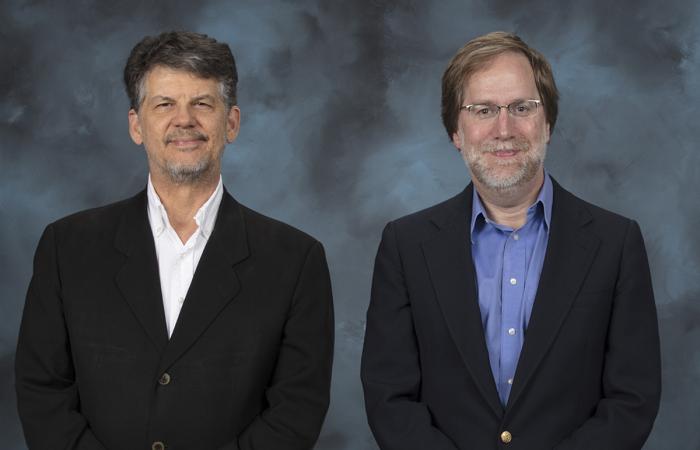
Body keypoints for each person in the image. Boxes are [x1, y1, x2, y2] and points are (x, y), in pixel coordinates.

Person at [16, 31, 334, 450]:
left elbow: (296, 411)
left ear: (232, 122)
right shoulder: (67, 247)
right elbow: (43, 393)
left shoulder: (296, 261)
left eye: (202, 103)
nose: (184, 119)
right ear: (136, 125)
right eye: (164, 104)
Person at [361, 31, 660, 450]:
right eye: (483, 110)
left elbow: (632, 400)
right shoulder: (406, 246)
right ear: (455, 132)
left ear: (548, 123)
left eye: (522, 107)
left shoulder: (616, 243)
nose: (504, 129)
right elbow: (389, 398)